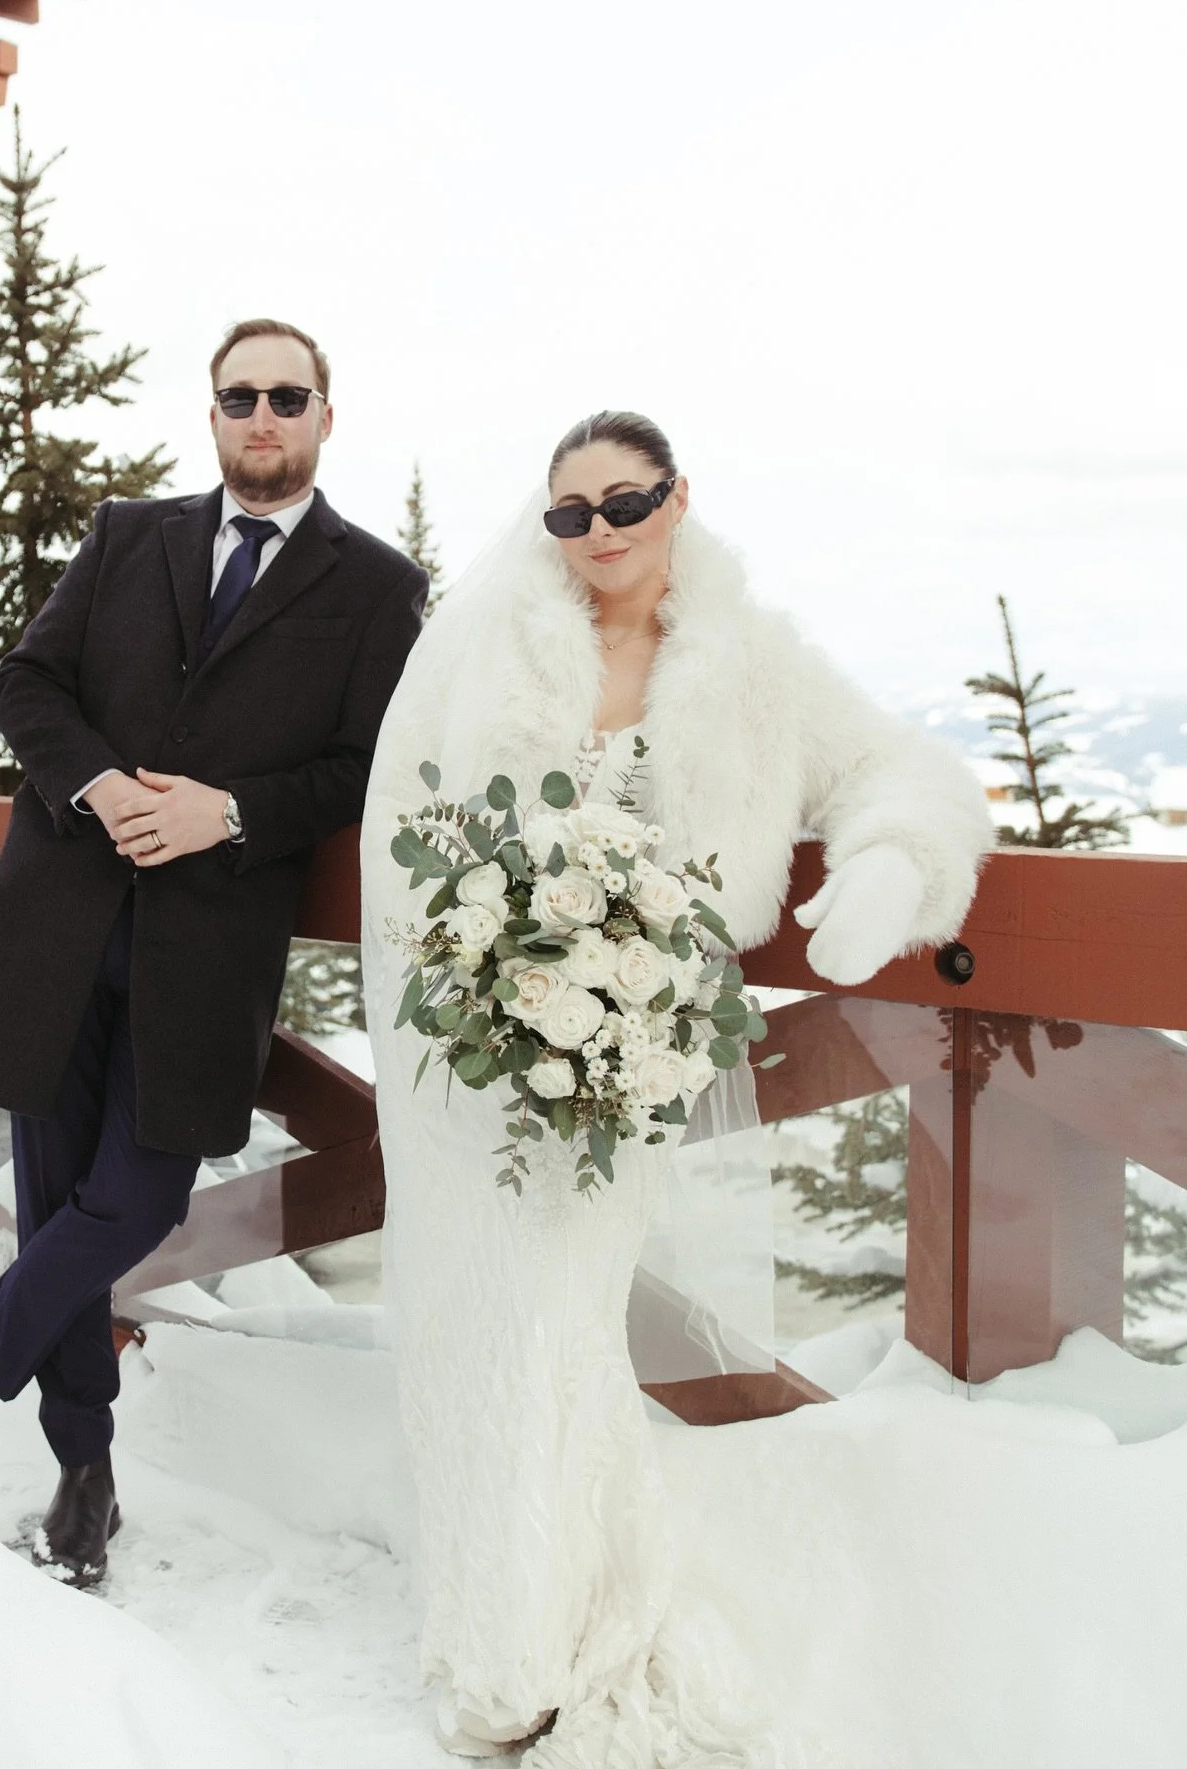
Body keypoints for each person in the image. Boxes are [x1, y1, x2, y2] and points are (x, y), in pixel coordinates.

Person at [360, 411, 993, 1762]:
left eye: (624, 502)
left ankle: (535, 1639)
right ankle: (498, 1623)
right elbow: (404, 830)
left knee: (558, 1331)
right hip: (475, 1058)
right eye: (570, 513)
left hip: (622, 1063)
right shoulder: (485, 645)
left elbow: (910, 774)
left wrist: (888, 868)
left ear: (677, 497)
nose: (599, 533)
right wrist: (474, 979)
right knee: (483, 1331)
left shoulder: (755, 667)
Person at [0, 318, 428, 1585]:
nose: (262, 415)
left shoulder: (376, 585)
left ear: (324, 418)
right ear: (212, 413)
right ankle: (86, 1472)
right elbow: (29, 685)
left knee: (135, 1199)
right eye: (240, 395)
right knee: (55, 1201)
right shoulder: (130, 538)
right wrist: (94, 788)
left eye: (286, 396)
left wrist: (225, 812)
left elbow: (363, 769)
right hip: (58, 928)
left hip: (208, 949)